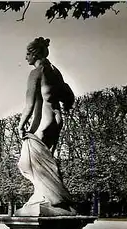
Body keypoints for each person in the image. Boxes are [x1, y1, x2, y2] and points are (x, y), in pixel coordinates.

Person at [16, 37, 75, 211]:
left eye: (28, 54)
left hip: (45, 120)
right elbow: (68, 96)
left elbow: (30, 105)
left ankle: (46, 195)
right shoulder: (55, 72)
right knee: (47, 161)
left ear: (35, 54)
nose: (26, 57)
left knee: (27, 162)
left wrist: (21, 125)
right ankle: (50, 196)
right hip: (56, 119)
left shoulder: (36, 73)